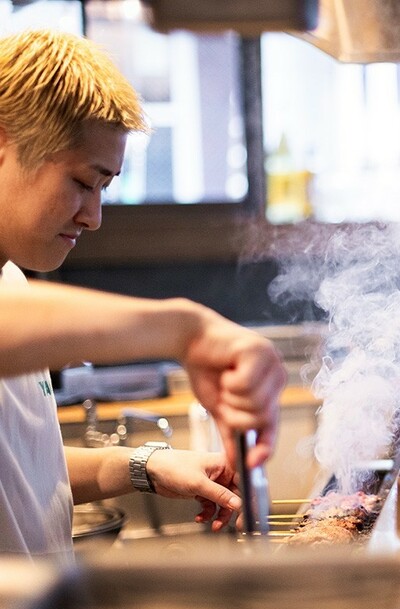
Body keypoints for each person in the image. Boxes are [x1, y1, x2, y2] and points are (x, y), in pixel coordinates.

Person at [0, 29, 287, 562]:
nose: (94, 216)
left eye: (105, 189)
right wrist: (187, 329)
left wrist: (146, 466)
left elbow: (24, 465)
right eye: (85, 182)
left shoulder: (12, 283)